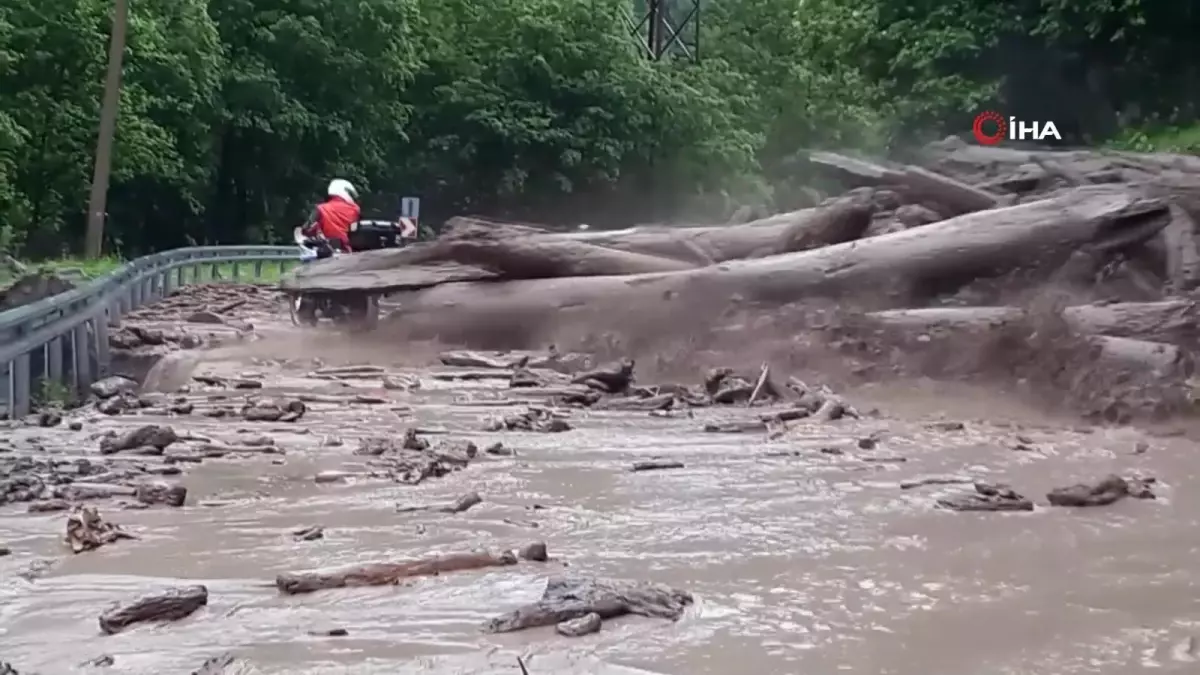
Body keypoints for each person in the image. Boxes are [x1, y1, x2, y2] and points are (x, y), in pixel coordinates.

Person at [301, 178, 360, 254]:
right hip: (347, 249)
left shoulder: (321, 208)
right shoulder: (355, 209)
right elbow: (356, 228)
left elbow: (305, 229)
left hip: (327, 249)